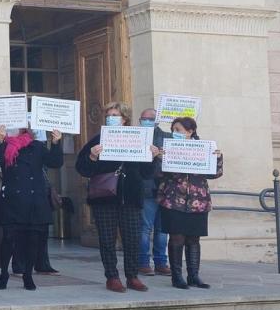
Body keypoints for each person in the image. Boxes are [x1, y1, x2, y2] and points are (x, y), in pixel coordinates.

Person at [75, 102, 157, 293]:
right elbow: (82, 168)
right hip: (105, 198)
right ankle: (112, 277)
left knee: (132, 238)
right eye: (109, 116)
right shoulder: (98, 139)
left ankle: (132, 276)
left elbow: (147, 173)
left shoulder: (138, 139)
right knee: (107, 239)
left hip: (130, 197)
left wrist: (152, 156)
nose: (111, 118)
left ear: (125, 119)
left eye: (115, 115)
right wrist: (92, 157)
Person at [153, 117, 224, 289]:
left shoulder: (204, 148)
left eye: (178, 130)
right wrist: (159, 158)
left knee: (193, 238)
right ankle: (177, 276)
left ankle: (194, 275)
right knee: (177, 237)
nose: (175, 133)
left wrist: (218, 158)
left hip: (197, 202)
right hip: (173, 200)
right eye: (173, 130)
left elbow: (214, 174)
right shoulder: (167, 149)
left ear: (190, 131)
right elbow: (157, 174)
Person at [0, 125, 64, 291]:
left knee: (33, 239)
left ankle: (28, 275)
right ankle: (4, 272)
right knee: (8, 239)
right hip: (14, 199)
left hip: (34, 199)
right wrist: (0, 142)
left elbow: (55, 162)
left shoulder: (37, 146)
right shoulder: (4, 145)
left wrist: (55, 143)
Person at [138, 108, 170, 276]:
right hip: (146, 188)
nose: (147, 121)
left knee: (162, 229)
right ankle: (143, 262)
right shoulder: (136, 136)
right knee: (145, 228)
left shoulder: (168, 138)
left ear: (157, 121)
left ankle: (161, 263)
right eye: (144, 118)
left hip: (164, 189)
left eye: (151, 118)